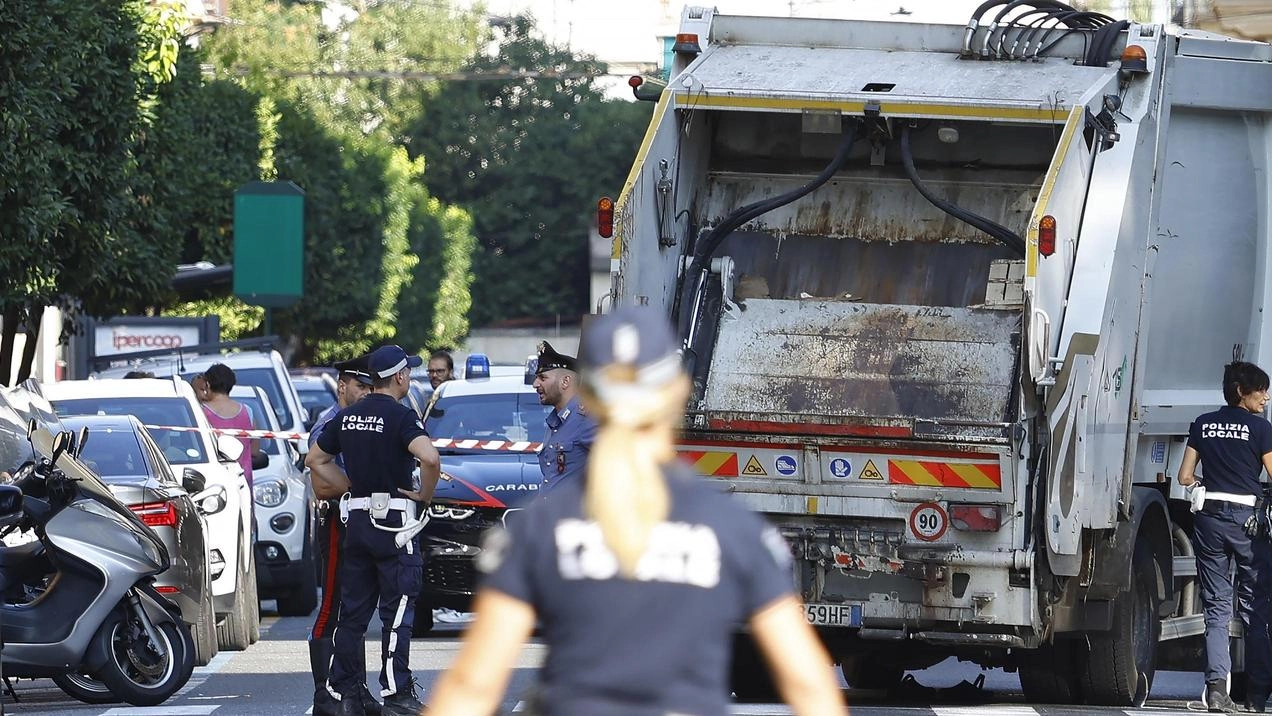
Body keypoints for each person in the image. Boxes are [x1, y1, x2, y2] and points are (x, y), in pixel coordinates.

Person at [428, 306, 846, 715]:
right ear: (680, 392)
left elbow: (473, 683)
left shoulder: (537, 532)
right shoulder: (735, 531)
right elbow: (808, 685)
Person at [306, 345, 442, 716]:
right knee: (397, 610)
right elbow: (429, 457)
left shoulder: (348, 417)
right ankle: (396, 692)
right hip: (395, 523)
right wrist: (424, 494)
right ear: (399, 377)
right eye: (408, 373)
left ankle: (347, 692)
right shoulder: (400, 416)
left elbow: (315, 459)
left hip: (357, 522)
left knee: (352, 613)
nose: (410, 379)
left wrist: (350, 486)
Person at [1178, 360, 1272, 713]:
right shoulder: (1261, 429)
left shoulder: (1203, 424)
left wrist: (1205, 484)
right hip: (1248, 523)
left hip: (1210, 521)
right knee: (1256, 607)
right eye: (1260, 390)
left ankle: (1217, 690)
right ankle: (1258, 695)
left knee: (1216, 608)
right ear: (1240, 392)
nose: (1265, 397)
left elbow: (1185, 475)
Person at [308, 355, 379, 716]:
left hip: (362, 519)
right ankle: (324, 693)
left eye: (370, 387)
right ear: (342, 386)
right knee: (333, 606)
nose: (367, 393)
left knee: (357, 609)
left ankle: (355, 688)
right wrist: (358, 488)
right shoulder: (330, 423)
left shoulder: (360, 421)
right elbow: (321, 482)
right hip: (338, 518)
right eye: (360, 386)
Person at [532, 341, 597, 493]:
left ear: (565, 381)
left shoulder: (587, 419)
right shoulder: (556, 422)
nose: (535, 384)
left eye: (542, 378)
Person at [198, 363, 258, 488]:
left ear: (207, 384)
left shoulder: (200, 413)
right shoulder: (248, 412)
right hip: (243, 484)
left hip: (211, 485)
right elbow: (255, 451)